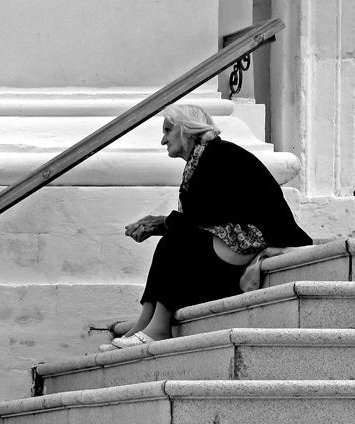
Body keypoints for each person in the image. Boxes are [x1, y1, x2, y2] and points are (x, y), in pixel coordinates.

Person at [105, 104, 312, 350]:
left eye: (168, 130)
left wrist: (163, 222)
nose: (163, 140)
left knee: (178, 237)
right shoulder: (204, 156)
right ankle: (144, 322)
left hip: (254, 240)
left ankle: (159, 327)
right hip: (234, 242)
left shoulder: (219, 154)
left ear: (185, 130)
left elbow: (204, 217)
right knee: (172, 239)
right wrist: (164, 224)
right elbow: (201, 217)